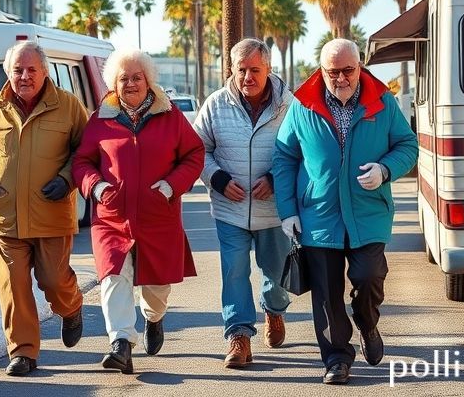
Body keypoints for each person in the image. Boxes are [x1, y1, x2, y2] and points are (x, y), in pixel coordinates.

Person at [272, 38, 418, 385]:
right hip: (318, 216)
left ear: (360, 67)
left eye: (347, 70)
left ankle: (367, 322)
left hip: (369, 213)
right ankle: (337, 358)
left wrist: (385, 170)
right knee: (325, 293)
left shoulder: (381, 101)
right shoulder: (302, 106)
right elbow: (284, 157)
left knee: (369, 276)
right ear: (322, 71)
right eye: (332, 71)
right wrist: (288, 211)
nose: (340, 78)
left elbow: (407, 145)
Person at [72, 49, 204, 374]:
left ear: (148, 80)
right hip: (111, 219)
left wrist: (171, 186)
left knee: (157, 287)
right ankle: (120, 343)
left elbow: (194, 154)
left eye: (136, 77)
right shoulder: (100, 118)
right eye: (123, 78)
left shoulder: (170, 115)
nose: (130, 83)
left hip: (158, 216)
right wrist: (97, 187)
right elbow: (82, 161)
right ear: (114, 84)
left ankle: (154, 318)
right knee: (113, 278)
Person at [0, 41, 88, 377]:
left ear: (44, 71)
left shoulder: (69, 106)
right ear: (8, 72)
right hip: (5, 217)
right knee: (14, 287)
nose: (25, 76)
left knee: (54, 280)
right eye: (18, 70)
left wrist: (67, 179)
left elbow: (87, 151)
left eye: (32, 69)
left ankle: (72, 307)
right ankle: (23, 352)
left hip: (52, 214)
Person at [193, 38, 293, 369]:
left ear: (268, 70)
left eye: (255, 70)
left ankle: (274, 311)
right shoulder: (215, 105)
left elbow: (302, 152)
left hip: (274, 210)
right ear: (232, 70)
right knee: (234, 271)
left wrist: (276, 179)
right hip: (229, 210)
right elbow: (198, 151)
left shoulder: (289, 106)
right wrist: (218, 179)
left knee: (275, 273)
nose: (248, 76)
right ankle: (238, 336)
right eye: (242, 70)